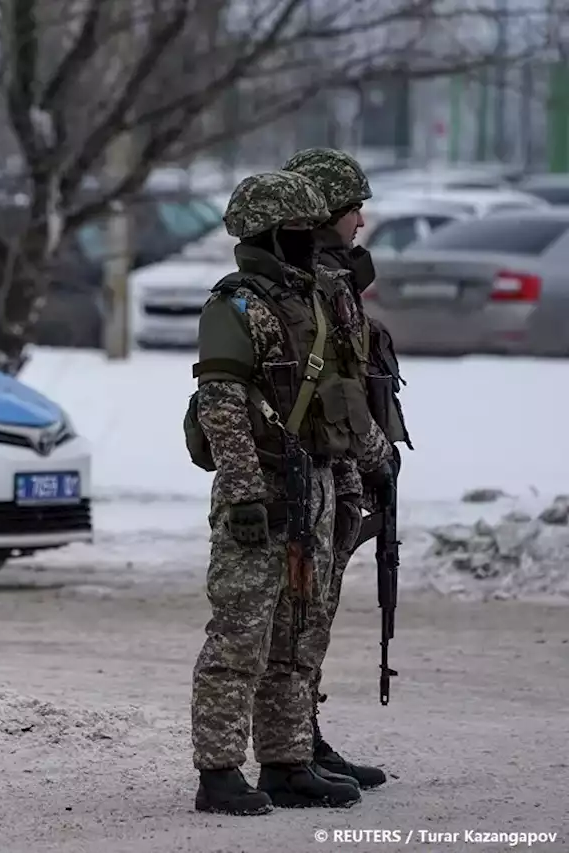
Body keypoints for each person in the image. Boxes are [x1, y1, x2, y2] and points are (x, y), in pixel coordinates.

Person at [186, 169, 385, 814]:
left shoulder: (309, 298)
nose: (314, 243)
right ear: (272, 235)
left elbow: (339, 399)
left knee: (299, 636)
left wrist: (350, 478)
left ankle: (286, 761)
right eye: (300, 232)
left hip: (316, 485)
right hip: (264, 489)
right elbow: (222, 402)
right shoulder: (236, 304)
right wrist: (243, 491)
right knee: (241, 635)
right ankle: (218, 773)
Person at [282, 147, 411, 790]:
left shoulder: (322, 280)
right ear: (326, 210)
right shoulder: (310, 285)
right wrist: (374, 457)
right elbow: (341, 387)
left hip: (335, 465)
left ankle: (302, 740)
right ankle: (289, 750)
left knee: (313, 616)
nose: (361, 221)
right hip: (310, 467)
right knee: (298, 618)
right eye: (354, 207)